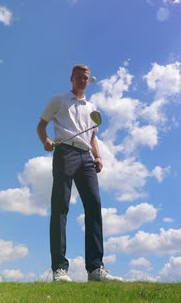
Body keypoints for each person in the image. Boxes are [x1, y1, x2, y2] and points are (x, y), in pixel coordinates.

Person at [37, 64, 124, 282]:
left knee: (94, 206)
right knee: (60, 206)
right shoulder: (59, 100)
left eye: (85, 78)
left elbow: (93, 136)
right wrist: (46, 141)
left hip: (87, 157)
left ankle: (95, 268)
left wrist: (98, 156)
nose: (82, 80)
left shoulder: (92, 108)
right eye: (78, 77)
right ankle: (59, 269)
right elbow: (41, 125)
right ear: (71, 79)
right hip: (65, 152)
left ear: (88, 80)